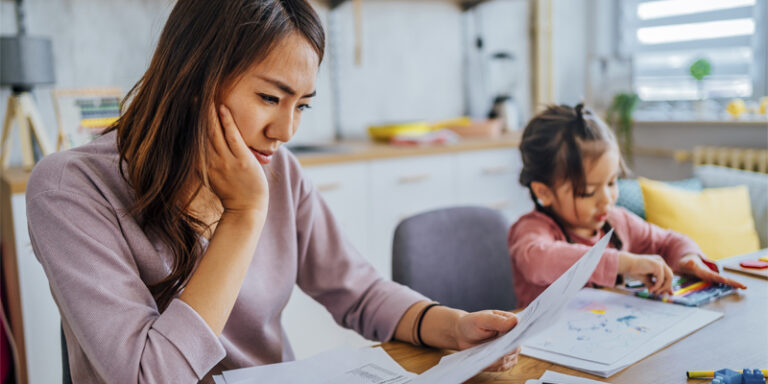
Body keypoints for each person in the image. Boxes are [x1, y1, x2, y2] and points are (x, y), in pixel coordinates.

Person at [26, 1, 521, 382]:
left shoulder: (279, 169)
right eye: (269, 98)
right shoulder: (71, 189)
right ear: (194, 79)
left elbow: (360, 291)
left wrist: (453, 327)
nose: (285, 130)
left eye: (302, 105)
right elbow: (150, 376)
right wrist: (243, 216)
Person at [507, 103, 746, 307]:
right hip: (542, 353)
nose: (607, 199)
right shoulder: (531, 229)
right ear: (543, 192)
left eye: (612, 182)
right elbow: (538, 260)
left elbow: (670, 241)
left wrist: (688, 259)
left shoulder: (617, 221)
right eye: (587, 192)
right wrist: (625, 262)